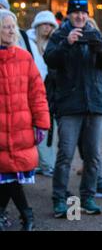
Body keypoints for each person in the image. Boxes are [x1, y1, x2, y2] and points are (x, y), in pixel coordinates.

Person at [44, 0, 102, 218]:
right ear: (69, 14)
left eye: (83, 12)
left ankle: (88, 197)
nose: (80, 16)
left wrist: (101, 47)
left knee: (93, 155)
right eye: (76, 12)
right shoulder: (60, 35)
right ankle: (59, 199)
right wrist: (67, 43)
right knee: (65, 154)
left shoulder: (95, 33)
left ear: (87, 14)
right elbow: (50, 59)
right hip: (69, 105)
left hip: (95, 103)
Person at [0, 10, 50, 231]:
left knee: (11, 176)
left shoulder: (24, 57)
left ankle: (24, 215)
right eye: (7, 27)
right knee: (6, 176)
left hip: (20, 128)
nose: (12, 31)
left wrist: (41, 123)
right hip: (1, 130)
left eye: (13, 26)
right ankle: (24, 215)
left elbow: (37, 93)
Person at [27, 11, 59, 178]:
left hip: (50, 91)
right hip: (31, 90)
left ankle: (47, 163)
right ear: (38, 25)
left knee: (49, 128)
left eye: (51, 25)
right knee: (33, 128)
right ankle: (41, 163)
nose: (47, 28)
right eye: (45, 24)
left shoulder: (53, 43)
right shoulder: (27, 41)